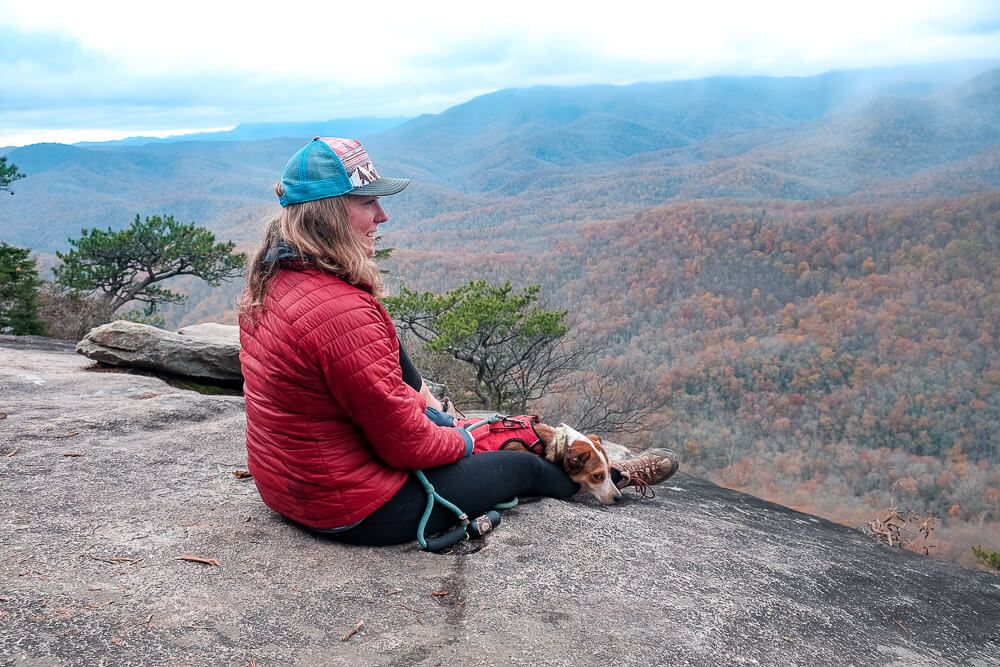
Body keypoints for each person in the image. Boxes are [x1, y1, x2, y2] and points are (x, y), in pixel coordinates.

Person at [238, 137, 678, 546]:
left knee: (463, 418)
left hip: (289, 486)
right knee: (518, 462)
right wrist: (467, 438)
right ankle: (610, 478)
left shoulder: (275, 278)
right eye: (369, 202)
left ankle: (590, 463)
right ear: (330, 214)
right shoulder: (340, 311)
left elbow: (366, 374)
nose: (383, 216)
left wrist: (434, 413)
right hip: (357, 508)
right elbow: (407, 446)